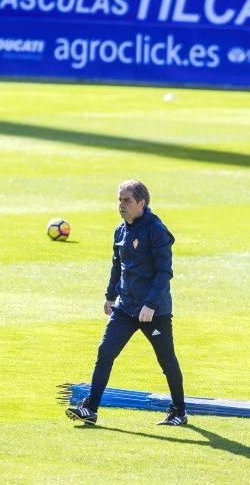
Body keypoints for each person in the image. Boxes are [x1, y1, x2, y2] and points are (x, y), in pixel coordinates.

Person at [66, 180, 188, 426]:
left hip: (153, 311)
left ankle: (178, 411)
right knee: (105, 352)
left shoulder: (156, 230)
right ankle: (90, 408)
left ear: (141, 203)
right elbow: (117, 266)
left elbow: (164, 272)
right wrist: (110, 296)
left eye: (127, 200)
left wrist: (151, 304)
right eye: (119, 200)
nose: (121, 205)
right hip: (126, 307)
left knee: (166, 360)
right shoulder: (120, 230)